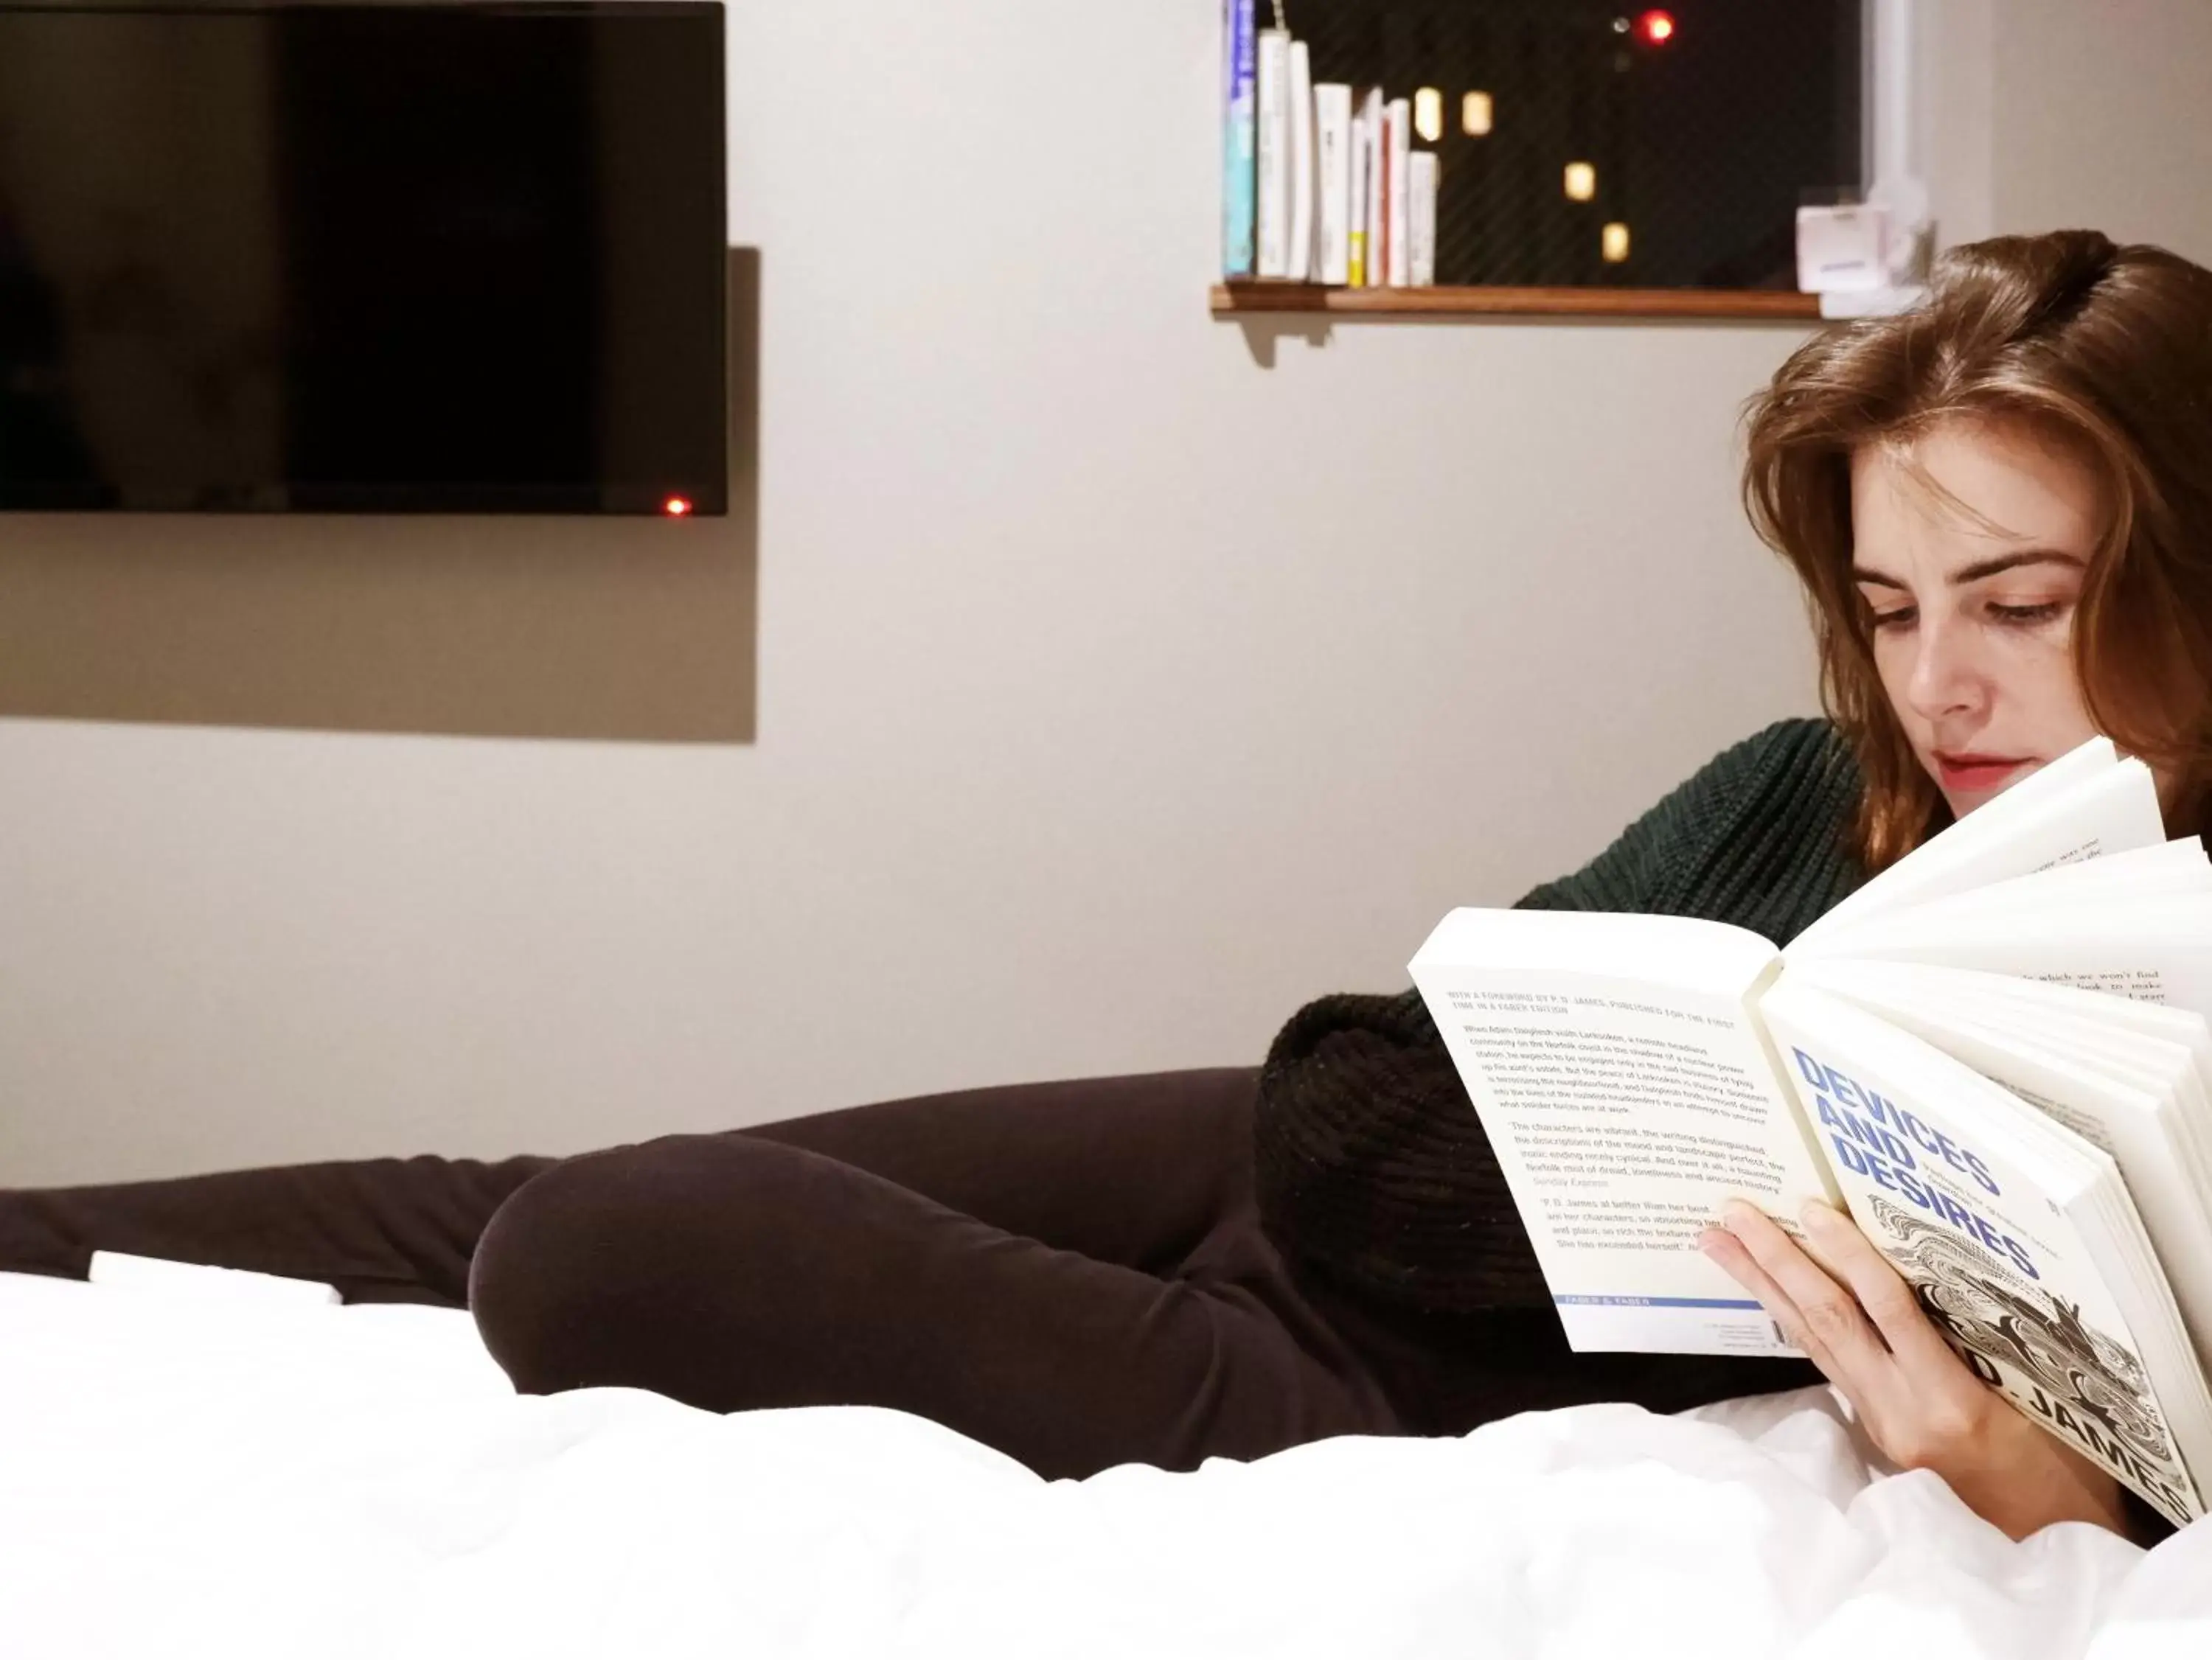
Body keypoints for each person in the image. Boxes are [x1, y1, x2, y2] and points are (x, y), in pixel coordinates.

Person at [4, 229, 2206, 1543]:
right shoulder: (1813, 786)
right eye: (1896, 601)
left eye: (2014, 598)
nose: (1938, 678)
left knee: (597, 1240)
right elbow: (1349, 1091)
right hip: (1271, 1177)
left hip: (1342, 1377)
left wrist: (2060, 1500)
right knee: (532, 1174)